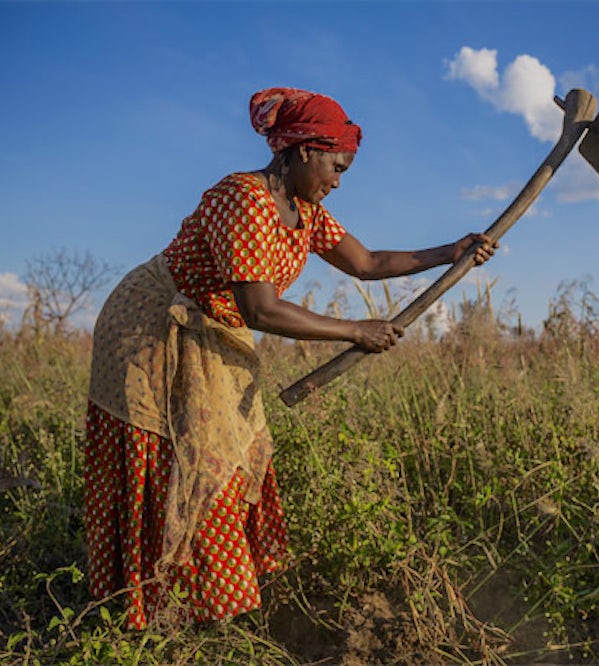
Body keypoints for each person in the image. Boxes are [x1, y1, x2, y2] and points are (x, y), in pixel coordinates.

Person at [84, 87, 496, 629]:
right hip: (150, 328)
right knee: (174, 459)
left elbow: (368, 262)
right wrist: (355, 330)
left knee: (221, 460)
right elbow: (261, 309)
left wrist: (453, 250)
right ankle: (146, 609)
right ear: (303, 151)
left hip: (210, 329)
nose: (338, 181)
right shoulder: (244, 199)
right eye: (336, 166)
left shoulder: (306, 210)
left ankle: (200, 605)